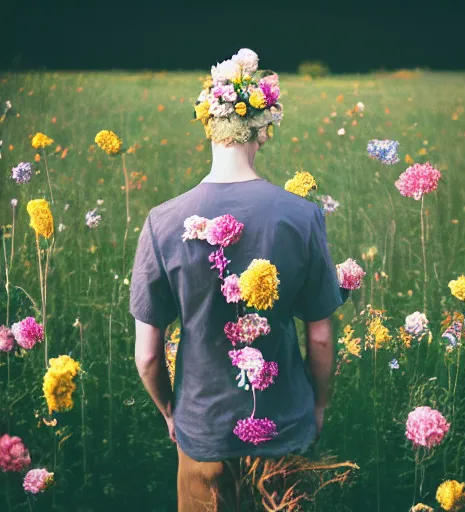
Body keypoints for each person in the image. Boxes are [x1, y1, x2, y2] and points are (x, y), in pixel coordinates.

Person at [130, 48, 349, 511]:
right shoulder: (303, 217)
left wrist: (172, 412)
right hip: (285, 432)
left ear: (208, 124)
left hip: (202, 433)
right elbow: (322, 339)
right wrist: (319, 407)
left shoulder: (161, 222)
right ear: (263, 129)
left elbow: (148, 354)